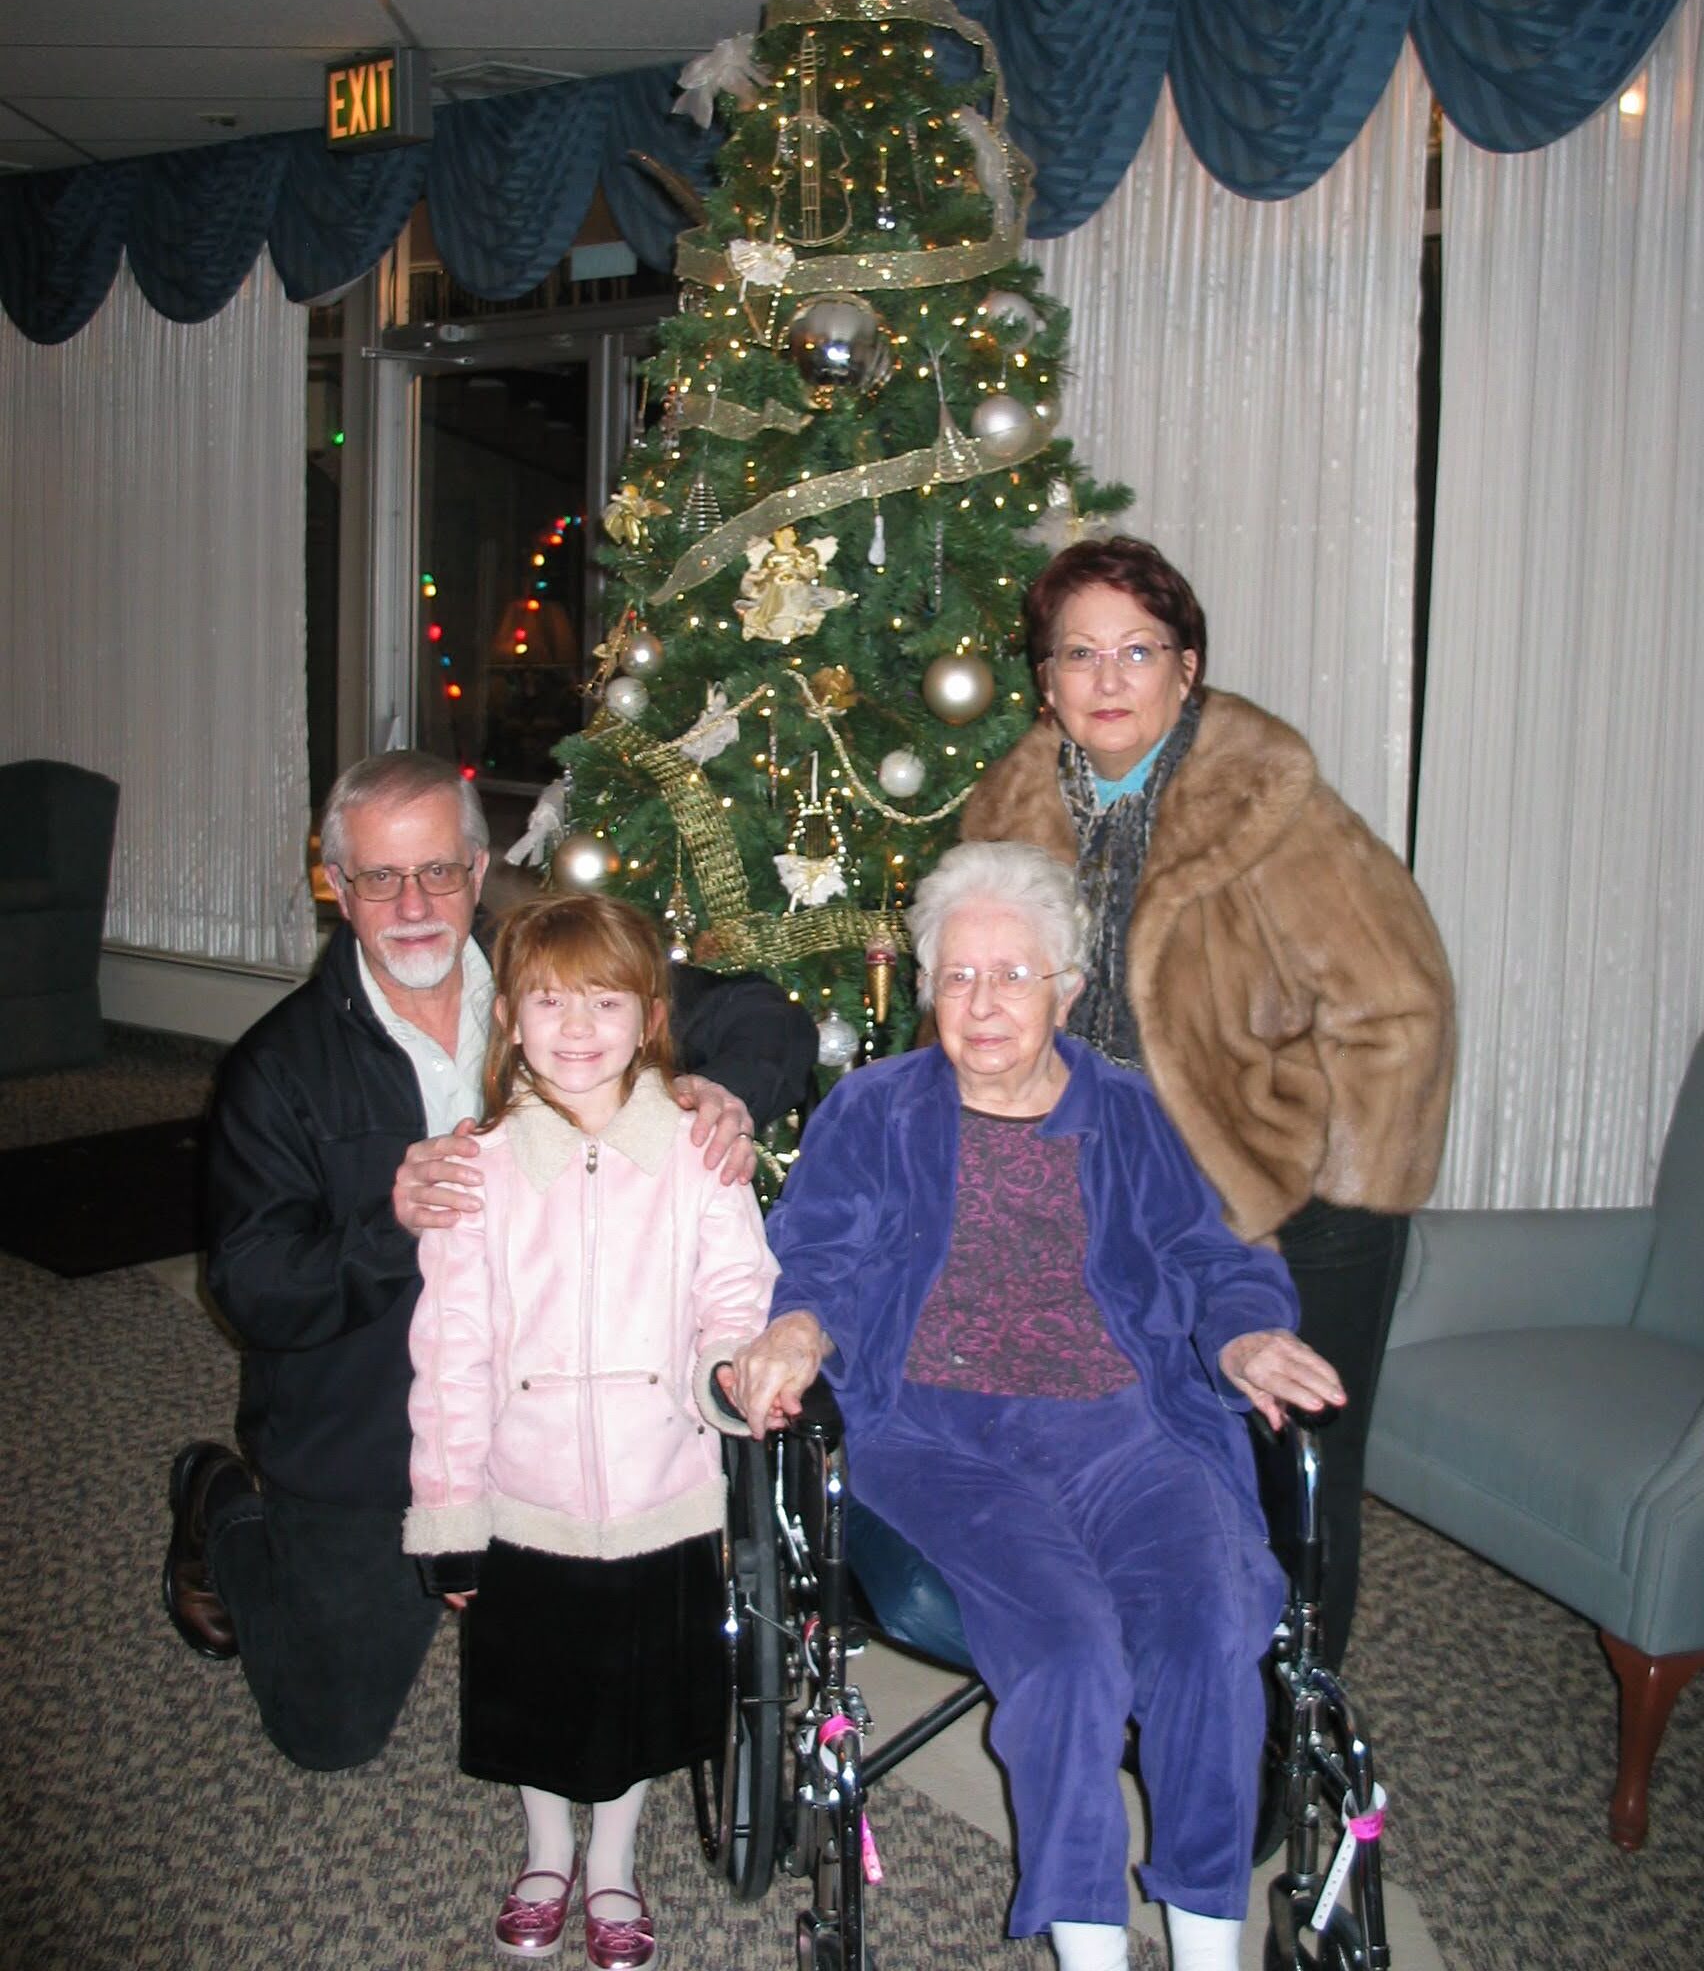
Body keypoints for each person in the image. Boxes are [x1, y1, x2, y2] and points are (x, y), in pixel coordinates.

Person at [726, 842, 1345, 1971]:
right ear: (928, 992)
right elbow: (814, 1257)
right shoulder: (873, 1110)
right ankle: (1091, 1947)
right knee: (1066, 1658)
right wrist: (800, 1327)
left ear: (1065, 988)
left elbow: (1209, 1253)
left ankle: (1210, 1940)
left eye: (1014, 975)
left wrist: (1248, 1331)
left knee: (1209, 1629)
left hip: (1124, 1423)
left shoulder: (1125, 1111)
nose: (984, 1002)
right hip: (940, 1436)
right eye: (959, 977)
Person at [162, 748, 813, 1773]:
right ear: (335, 885)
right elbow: (251, 1288)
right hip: (369, 1416)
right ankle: (222, 1506)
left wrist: (727, 1087)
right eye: (380, 876)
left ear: (477, 867)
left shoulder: (550, 988)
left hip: (561, 1397)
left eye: (440, 870)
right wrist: (393, 1221)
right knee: (328, 1733)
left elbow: (761, 1012)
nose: (414, 902)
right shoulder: (276, 1068)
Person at [958, 536, 1454, 1671]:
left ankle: (1292, 1730)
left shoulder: (1269, 806)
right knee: (1153, 1467)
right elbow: (974, 1004)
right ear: (1046, 682)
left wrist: (1342, 1190)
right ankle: (1177, 1700)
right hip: (1100, 1208)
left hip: (1281, 1210)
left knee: (1292, 1485)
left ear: (1189, 668)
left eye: (1140, 648)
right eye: (1080, 653)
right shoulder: (1006, 811)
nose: (1110, 677)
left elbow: (1403, 1004)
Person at [406, 894, 776, 1968]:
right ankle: (545, 1847)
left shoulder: (698, 1151)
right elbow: (451, 1352)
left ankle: (613, 1859)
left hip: (661, 1487)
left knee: (634, 1697)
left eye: (604, 1001)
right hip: (525, 1498)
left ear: (649, 1015)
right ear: (511, 1018)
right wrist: (451, 1511)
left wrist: (726, 1380)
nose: (577, 1027)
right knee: (538, 1692)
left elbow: (736, 1293)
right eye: (550, 1002)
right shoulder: (477, 1166)